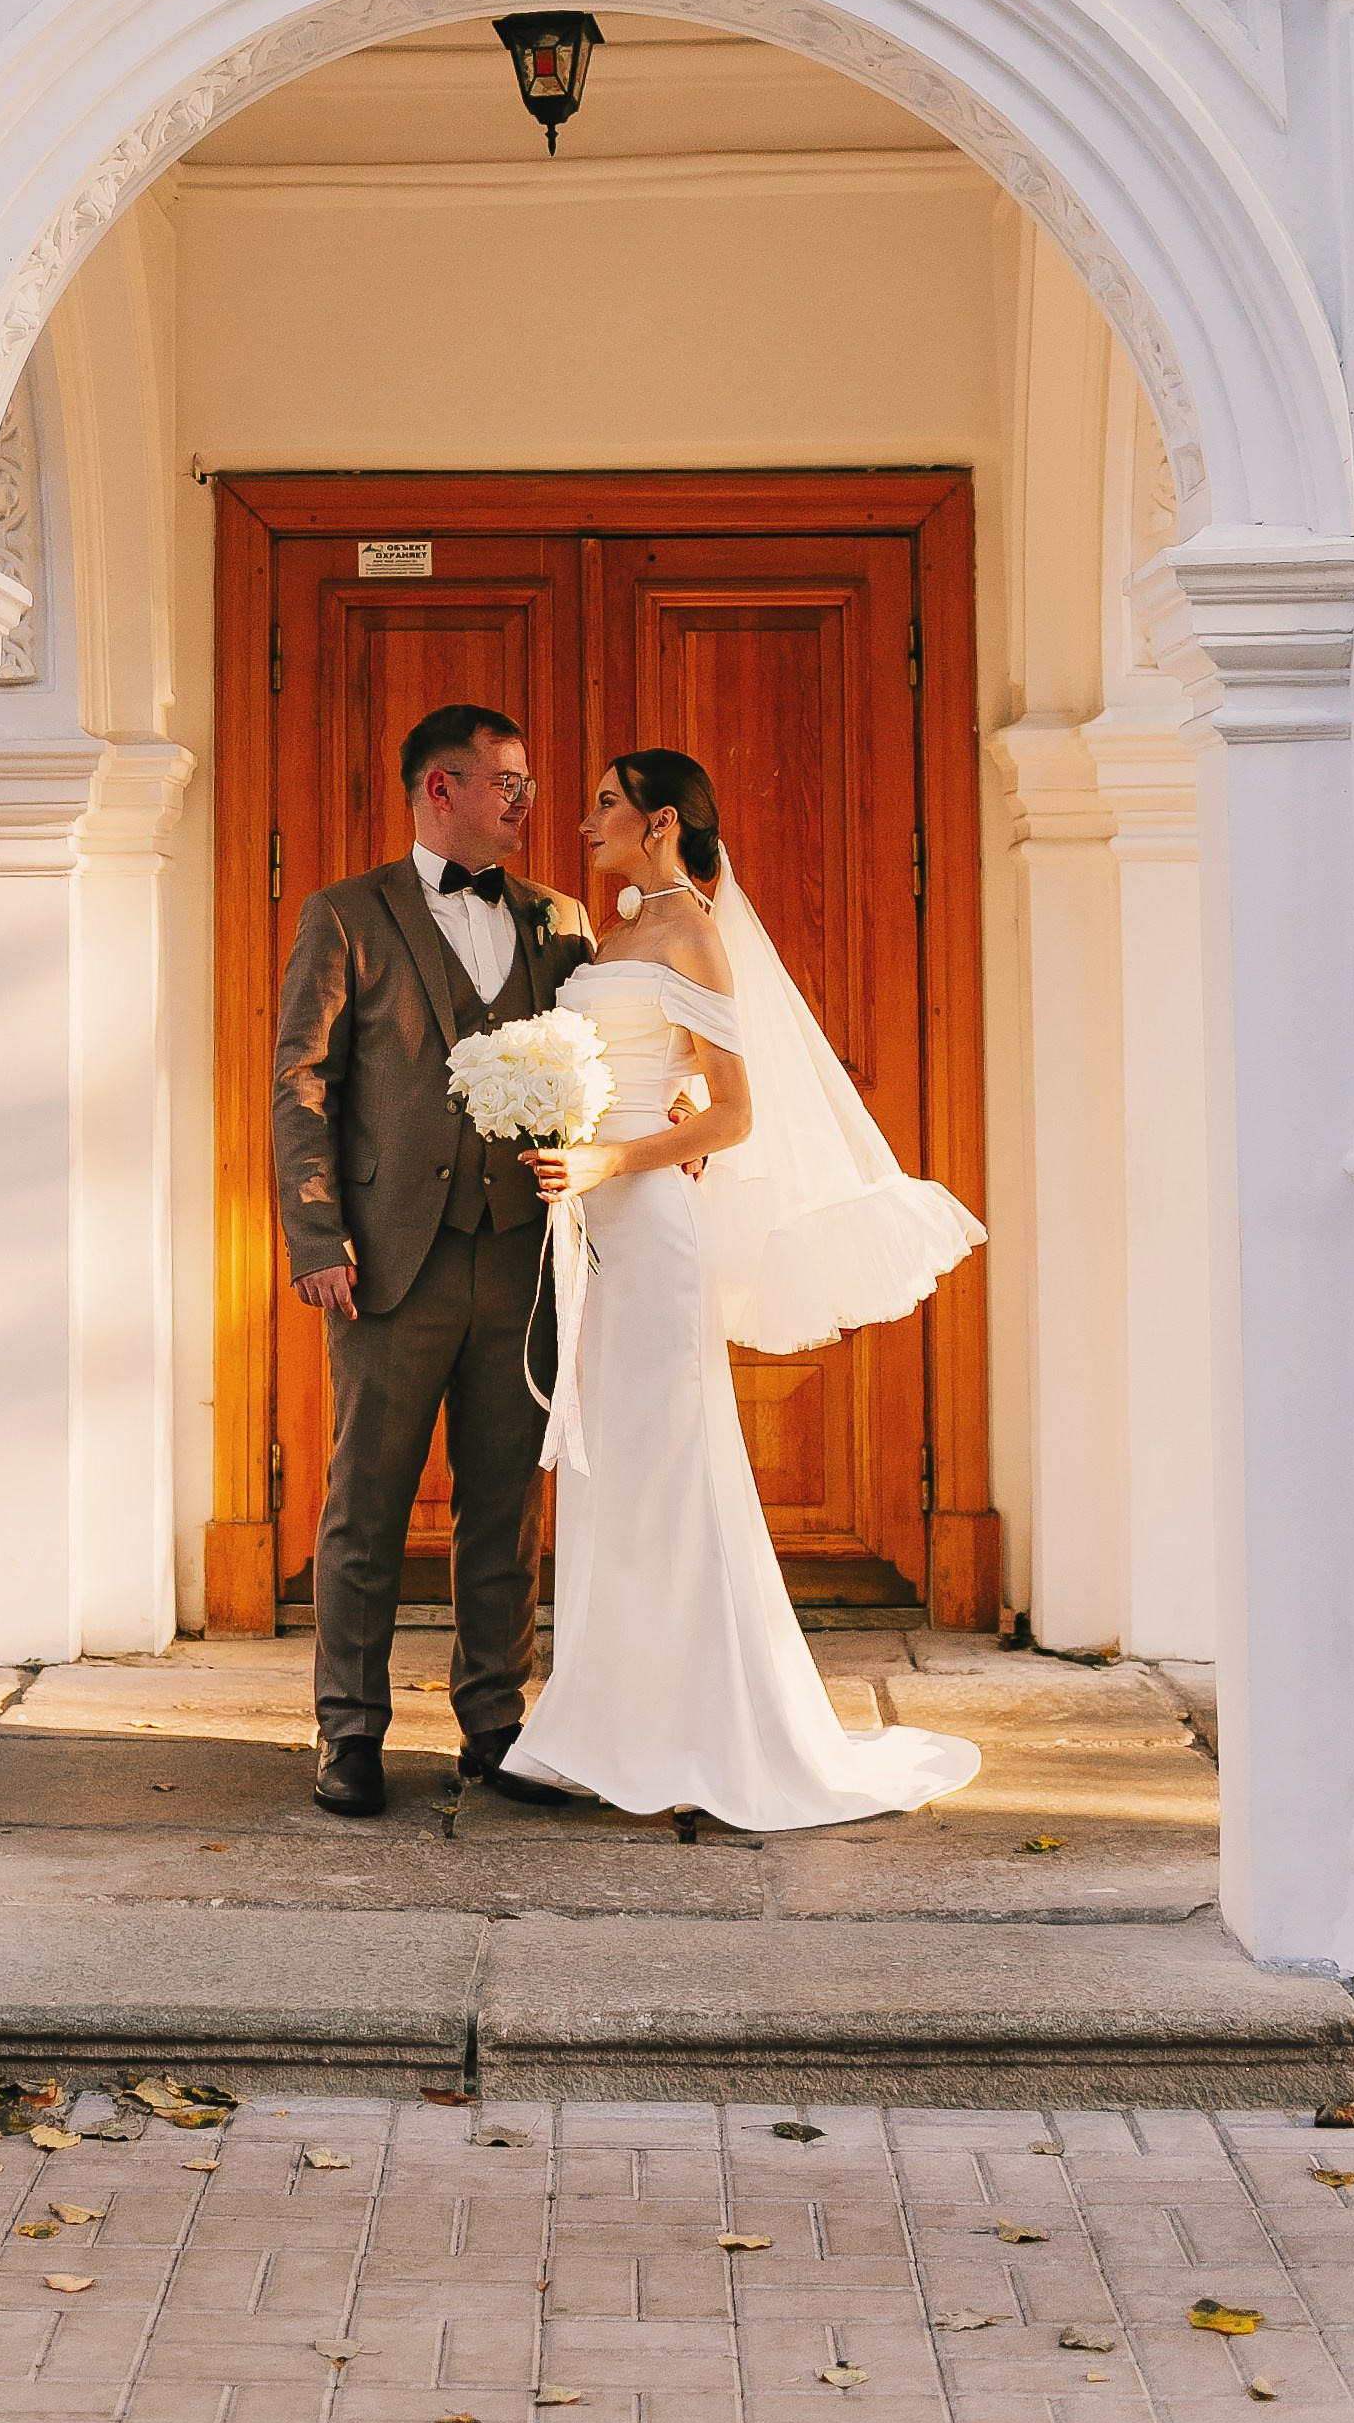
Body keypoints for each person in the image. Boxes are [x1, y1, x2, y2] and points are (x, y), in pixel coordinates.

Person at [503, 748, 988, 1831]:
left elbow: (732, 1117)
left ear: (660, 821)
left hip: (644, 1222)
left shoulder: (692, 934)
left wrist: (607, 1160)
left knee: (668, 1465)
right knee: (605, 1468)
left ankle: (707, 1727)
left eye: (604, 805)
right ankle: (601, 1724)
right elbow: (657, 1067)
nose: (583, 822)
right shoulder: (616, 929)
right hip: (590, 1221)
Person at [272, 702, 592, 1817]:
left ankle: (493, 1722)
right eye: (503, 782)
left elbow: (612, 1059)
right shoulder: (343, 916)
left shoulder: (559, 921)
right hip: (385, 1261)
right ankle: (348, 1730)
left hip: (521, 1254)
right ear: (436, 789)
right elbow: (300, 1087)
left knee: (503, 1504)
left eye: (527, 784)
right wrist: (317, 1237)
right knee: (366, 1500)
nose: (523, 802)